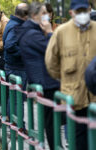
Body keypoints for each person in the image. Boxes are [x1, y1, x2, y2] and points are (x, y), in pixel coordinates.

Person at [45, 0, 96, 149]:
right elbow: (51, 62)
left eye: (84, 11)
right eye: (78, 11)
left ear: (89, 10)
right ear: (71, 12)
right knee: (79, 140)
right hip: (73, 97)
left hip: (95, 97)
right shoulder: (61, 32)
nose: (82, 15)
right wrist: (66, 80)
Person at [16, 2, 60, 150]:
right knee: (55, 121)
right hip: (47, 82)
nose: (46, 16)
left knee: (54, 121)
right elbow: (53, 50)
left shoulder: (30, 31)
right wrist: (50, 32)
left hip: (46, 81)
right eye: (43, 13)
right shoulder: (32, 34)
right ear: (34, 16)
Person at [3, 3, 29, 120]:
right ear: (25, 15)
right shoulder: (16, 26)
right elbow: (9, 45)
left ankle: (14, 123)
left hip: (14, 66)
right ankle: (19, 126)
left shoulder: (13, 23)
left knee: (13, 97)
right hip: (17, 67)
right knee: (17, 99)